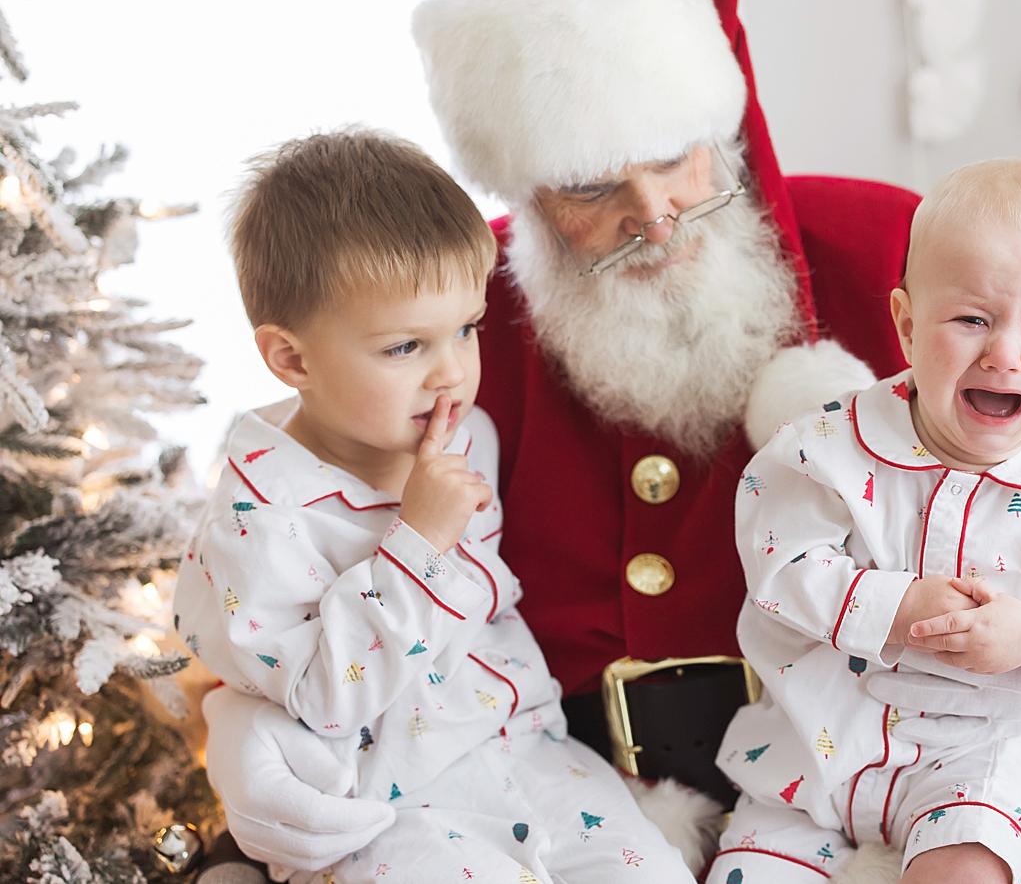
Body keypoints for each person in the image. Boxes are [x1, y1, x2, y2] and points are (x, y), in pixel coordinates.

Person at [196, 0, 1021, 883]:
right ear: (528, 194)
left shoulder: (905, 257)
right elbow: (312, 511)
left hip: (931, 761)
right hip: (604, 791)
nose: (653, 217)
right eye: (593, 185)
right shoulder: (449, 318)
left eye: (670, 158)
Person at [174, 130, 695, 884]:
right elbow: (322, 698)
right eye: (404, 348)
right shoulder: (261, 520)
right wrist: (416, 542)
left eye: (466, 329)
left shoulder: (464, 436)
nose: (452, 371)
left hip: (531, 751)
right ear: (292, 359)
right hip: (391, 802)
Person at [708, 160, 1021, 884]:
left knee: (966, 869)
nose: (1005, 353)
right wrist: (892, 606)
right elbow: (779, 565)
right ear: (907, 322)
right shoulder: (826, 449)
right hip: (811, 753)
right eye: (972, 319)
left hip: (977, 763)